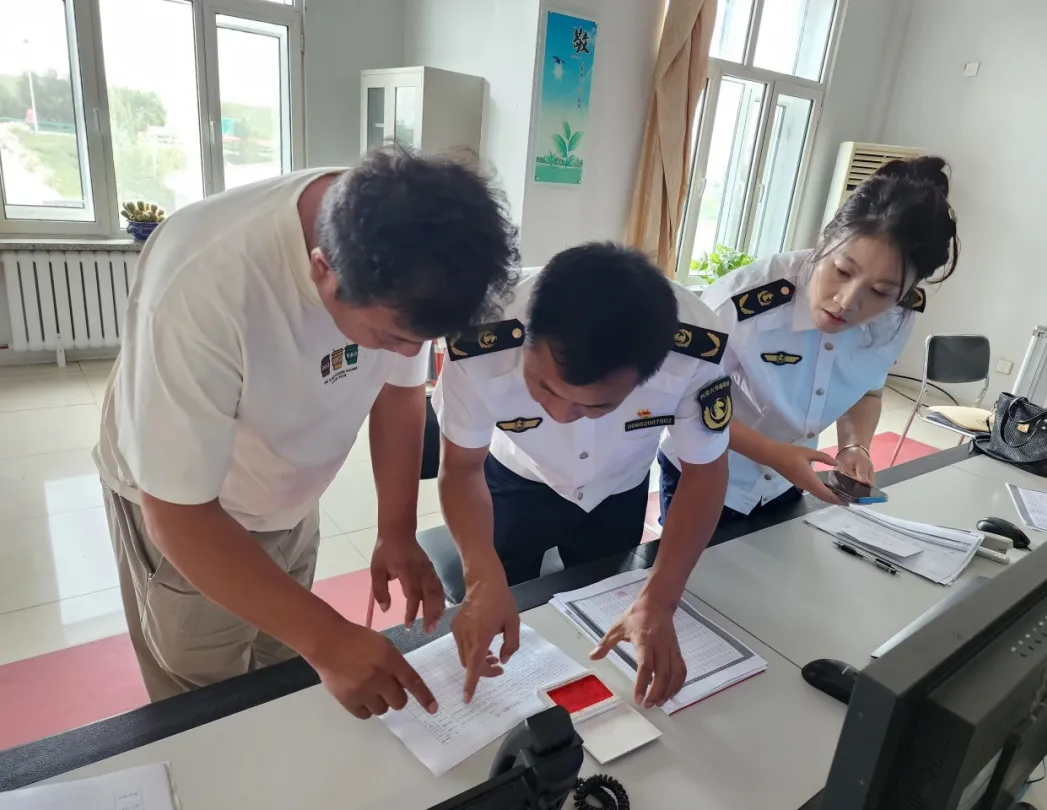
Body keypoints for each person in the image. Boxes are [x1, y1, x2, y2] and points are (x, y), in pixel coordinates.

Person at [94, 149, 518, 719]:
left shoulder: (410, 251)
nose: (408, 353)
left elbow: (399, 395)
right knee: (205, 700)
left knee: (284, 671)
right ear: (323, 270)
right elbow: (177, 514)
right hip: (192, 514)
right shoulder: (203, 283)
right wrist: (329, 639)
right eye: (391, 337)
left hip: (289, 490)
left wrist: (396, 529)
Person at [435, 243, 733, 710]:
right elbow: (461, 467)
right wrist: (479, 576)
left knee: (598, 611)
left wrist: (660, 600)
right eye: (543, 387)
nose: (560, 414)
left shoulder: (696, 347)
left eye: (596, 405)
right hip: (514, 482)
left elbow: (706, 472)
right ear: (527, 339)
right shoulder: (480, 332)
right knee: (502, 595)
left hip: (619, 488)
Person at [658, 156, 959, 524]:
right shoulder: (742, 301)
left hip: (789, 478)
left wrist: (855, 446)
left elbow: (868, 391)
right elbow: (683, 400)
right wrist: (772, 453)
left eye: (881, 291)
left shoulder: (897, 317)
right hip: (708, 469)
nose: (847, 301)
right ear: (824, 241)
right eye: (842, 270)